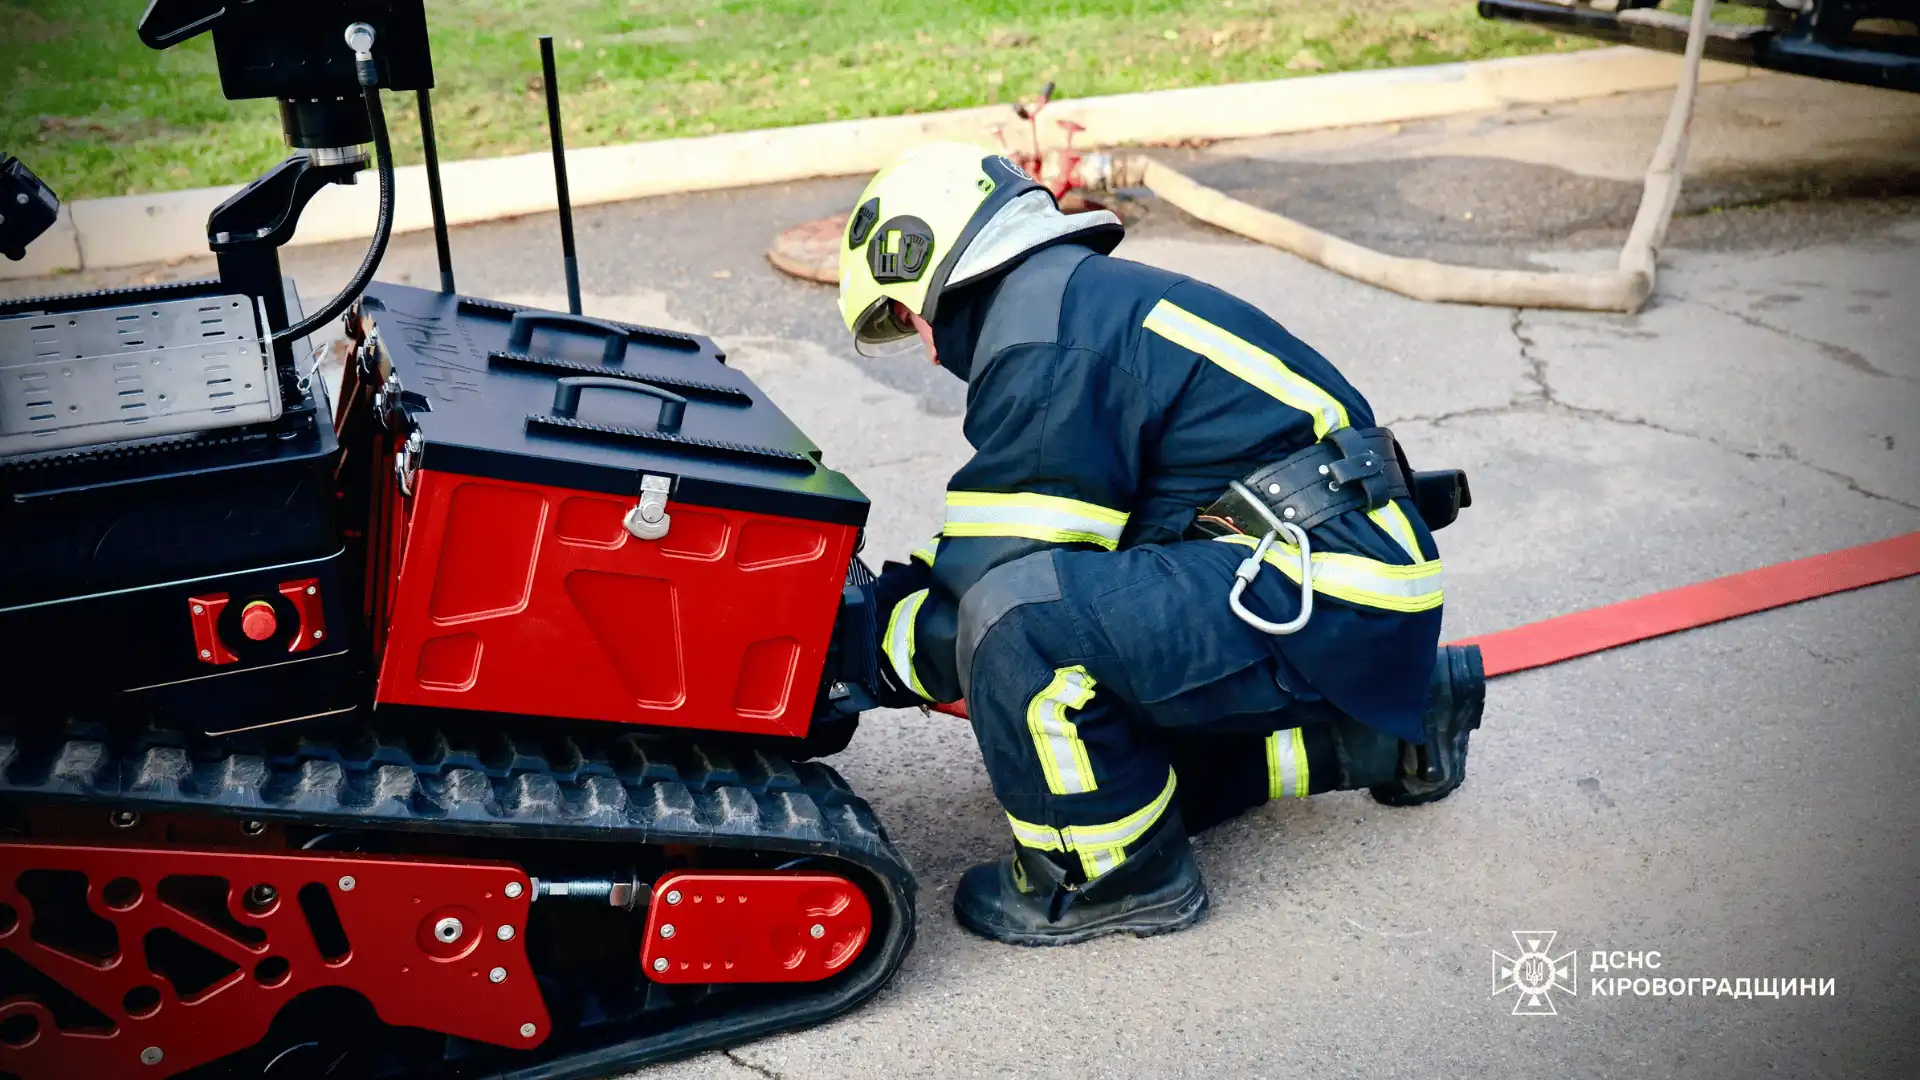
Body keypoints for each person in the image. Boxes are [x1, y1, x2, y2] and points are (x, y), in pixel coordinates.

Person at [837, 142, 1486, 947]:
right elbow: (1031, 534)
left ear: (934, 259)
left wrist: (853, 653)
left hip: (1322, 579)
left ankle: (1113, 878)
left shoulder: (1045, 331)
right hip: (1339, 575)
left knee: (1021, 626)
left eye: (909, 317)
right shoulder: (1071, 301)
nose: (928, 350)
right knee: (1096, 749)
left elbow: (998, 581)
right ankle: (1395, 726)